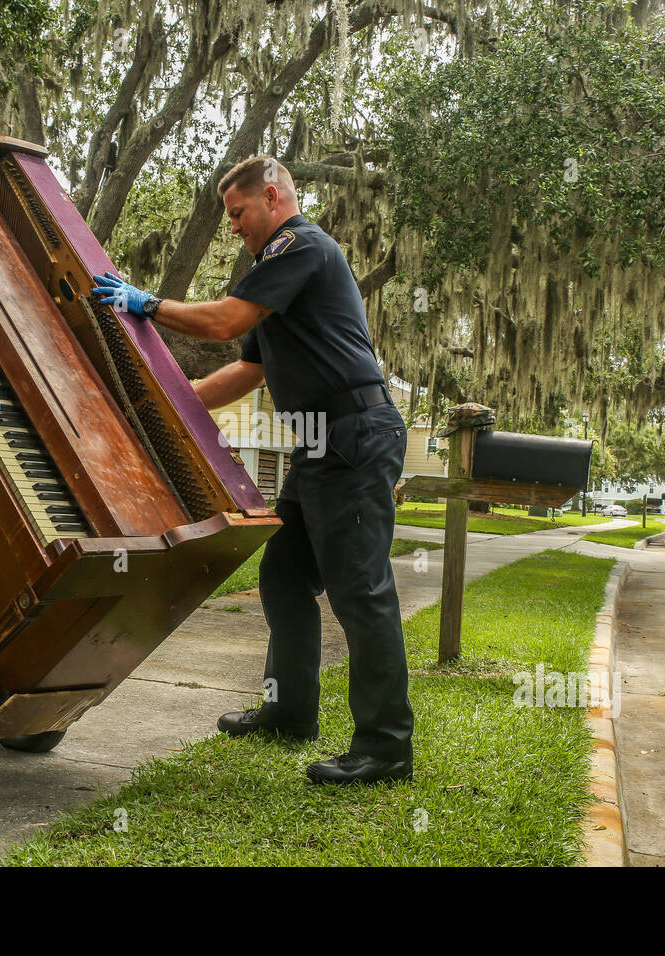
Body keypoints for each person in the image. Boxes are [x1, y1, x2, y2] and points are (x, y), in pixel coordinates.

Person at [92, 156, 415, 786]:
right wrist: (157, 403)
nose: (234, 228)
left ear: (272, 196)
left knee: (360, 591)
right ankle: (290, 709)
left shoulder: (302, 245)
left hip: (355, 435)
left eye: (238, 214)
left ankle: (386, 747)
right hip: (321, 444)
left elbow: (222, 323)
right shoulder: (276, 276)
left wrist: (148, 304)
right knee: (285, 574)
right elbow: (246, 371)